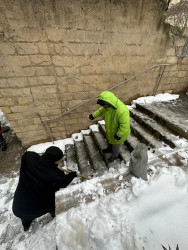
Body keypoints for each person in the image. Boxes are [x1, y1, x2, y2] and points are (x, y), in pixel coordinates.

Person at [12, 146, 77, 231]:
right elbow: (64, 182)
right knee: (52, 202)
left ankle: (26, 225)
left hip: (18, 206)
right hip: (36, 209)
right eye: (59, 160)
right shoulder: (56, 174)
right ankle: (53, 213)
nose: (60, 161)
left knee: (25, 215)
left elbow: (33, 155)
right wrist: (72, 174)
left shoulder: (28, 158)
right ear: (56, 161)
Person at [87, 91, 130, 162]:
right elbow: (100, 111)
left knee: (115, 146)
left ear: (109, 103)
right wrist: (92, 116)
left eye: (104, 105)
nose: (104, 106)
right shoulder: (107, 106)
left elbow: (125, 126)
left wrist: (118, 136)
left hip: (119, 133)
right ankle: (109, 149)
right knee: (109, 140)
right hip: (110, 129)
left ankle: (115, 155)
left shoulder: (122, 111)